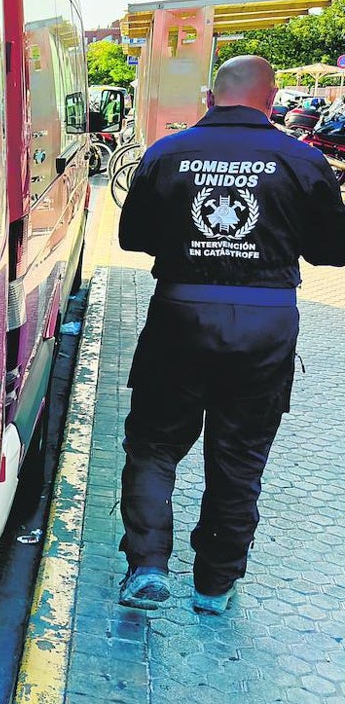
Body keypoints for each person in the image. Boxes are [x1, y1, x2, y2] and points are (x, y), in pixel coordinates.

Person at [116, 55, 345, 615]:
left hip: (180, 316)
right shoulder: (304, 160)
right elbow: (332, 252)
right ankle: (214, 586)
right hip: (265, 326)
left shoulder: (166, 154)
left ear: (212, 96)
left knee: (153, 444)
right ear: (271, 101)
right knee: (239, 457)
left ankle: (146, 566)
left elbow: (131, 238)